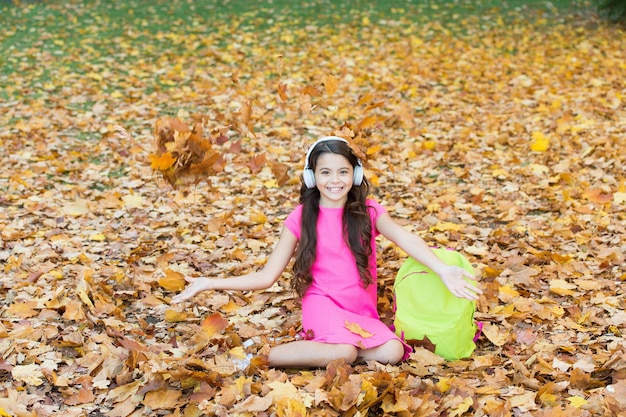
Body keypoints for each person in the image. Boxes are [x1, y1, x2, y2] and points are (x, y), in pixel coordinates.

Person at [171, 136, 482, 368]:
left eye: (343, 172)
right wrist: (210, 282)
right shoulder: (300, 217)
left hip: (359, 311)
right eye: (326, 173)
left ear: (355, 175)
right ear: (312, 177)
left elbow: (406, 238)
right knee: (345, 352)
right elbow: (267, 276)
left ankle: (321, 349)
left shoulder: (368, 212)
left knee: (392, 352)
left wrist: (443, 268)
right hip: (322, 304)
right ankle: (257, 354)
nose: (335, 181)